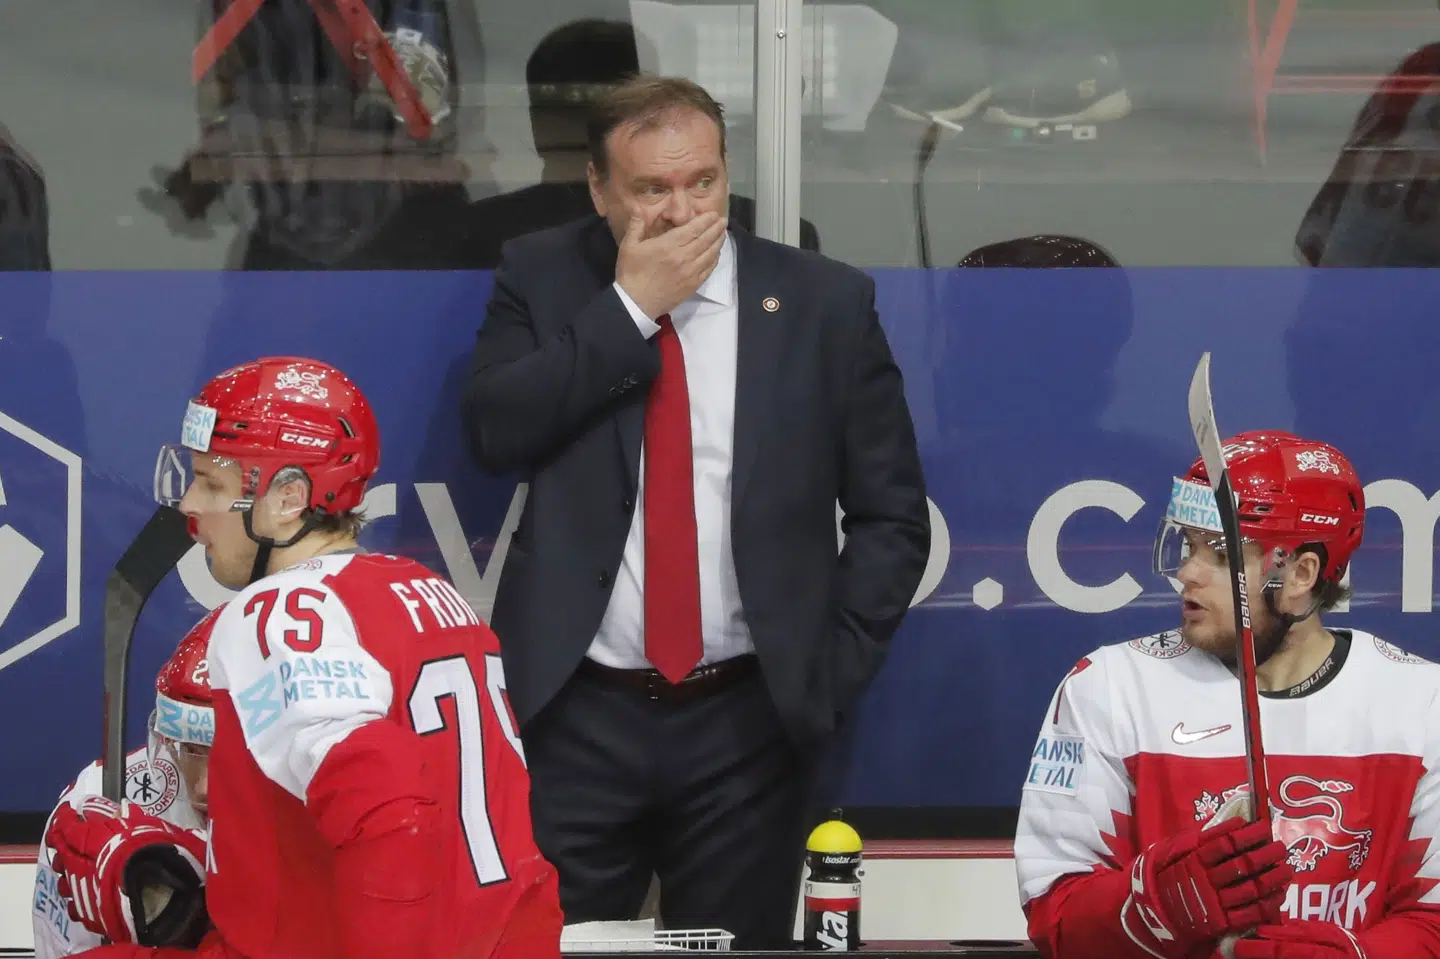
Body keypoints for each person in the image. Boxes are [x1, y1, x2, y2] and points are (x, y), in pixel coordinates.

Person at [461, 75, 931, 947]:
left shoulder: (824, 302)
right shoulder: (543, 275)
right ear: (601, 190)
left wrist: (823, 674)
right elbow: (496, 428)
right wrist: (633, 307)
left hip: (748, 722)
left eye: (703, 182)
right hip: (575, 716)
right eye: (651, 189)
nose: (683, 212)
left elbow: (891, 515)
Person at [47, 356, 562, 959]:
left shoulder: (281, 613)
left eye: (213, 483)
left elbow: (390, 815)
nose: (189, 505)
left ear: (288, 497)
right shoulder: (434, 592)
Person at [1014, 430, 1440, 959]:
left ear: (1301, 573)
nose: (1187, 575)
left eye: (1219, 553)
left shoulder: (1422, 703)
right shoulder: (1107, 686)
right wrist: (1153, 904)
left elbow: (1434, 922)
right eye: (1188, 546)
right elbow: (1054, 914)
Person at [36, 608, 221, 959]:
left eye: (228, 754)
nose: (204, 788)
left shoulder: (327, 797)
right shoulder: (100, 797)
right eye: (192, 749)